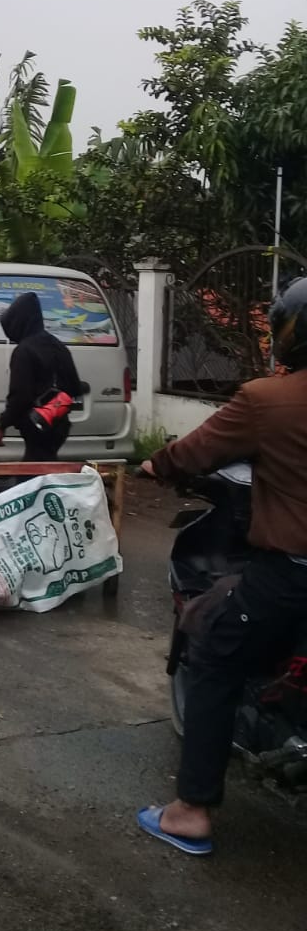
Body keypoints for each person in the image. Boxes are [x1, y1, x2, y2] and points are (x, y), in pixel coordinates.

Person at [137, 277, 307, 856]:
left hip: (291, 575)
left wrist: (155, 466)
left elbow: (197, 451)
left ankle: (189, 811)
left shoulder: (266, 400)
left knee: (213, 653)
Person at [0, 291, 81, 462]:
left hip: (35, 425)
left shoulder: (24, 351)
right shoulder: (59, 347)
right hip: (60, 425)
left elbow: (20, 396)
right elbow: (75, 387)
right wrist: (54, 405)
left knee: (31, 476)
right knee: (45, 470)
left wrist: (1, 425)